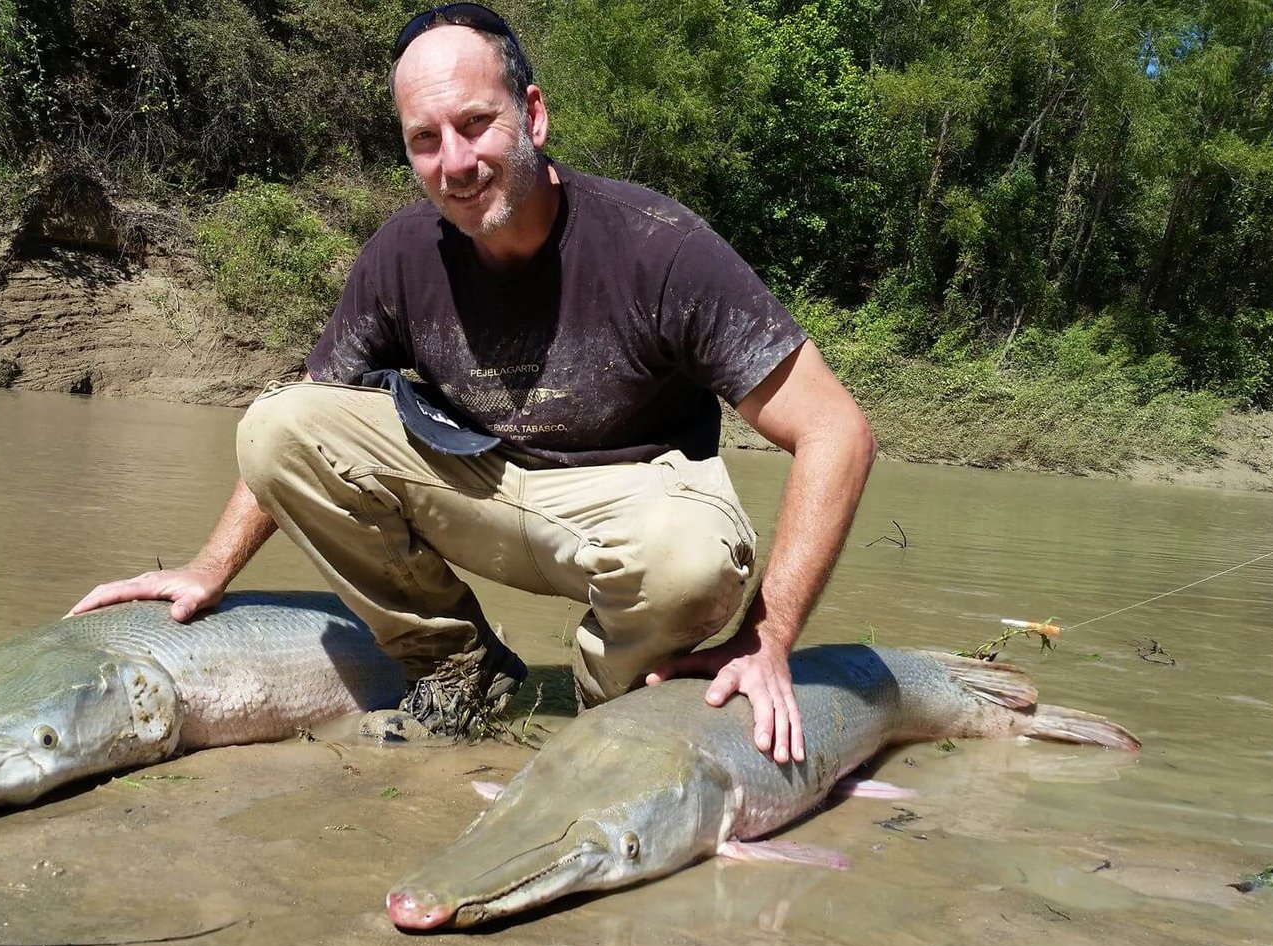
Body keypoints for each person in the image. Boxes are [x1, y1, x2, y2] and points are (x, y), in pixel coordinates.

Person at [70, 3, 875, 764]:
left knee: (690, 558)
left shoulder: (657, 247)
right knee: (274, 423)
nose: (453, 163)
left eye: (474, 124)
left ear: (532, 114)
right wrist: (208, 568)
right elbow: (300, 435)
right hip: (476, 486)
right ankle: (459, 668)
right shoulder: (401, 253)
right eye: (425, 139)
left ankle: (610, 700)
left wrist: (766, 641)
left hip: (625, 511)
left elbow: (835, 432)